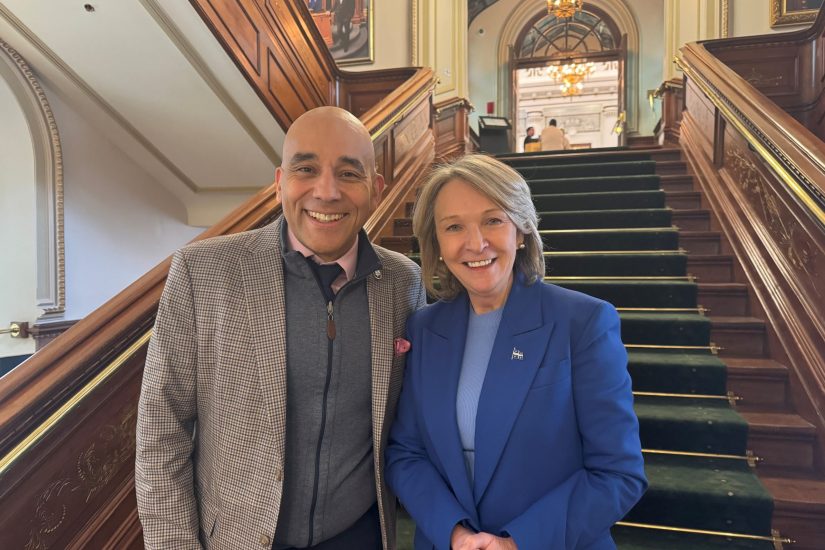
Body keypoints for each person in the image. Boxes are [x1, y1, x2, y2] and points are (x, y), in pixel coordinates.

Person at [136, 106, 427, 550]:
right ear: (279, 183)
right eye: (306, 169)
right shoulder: (202, 271)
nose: (326, 192)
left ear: (376, 189)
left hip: (359, 535)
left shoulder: (403, 282)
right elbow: (161, 427)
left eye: (349, 173)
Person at [385, 154, 646, 550]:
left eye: (493, 220)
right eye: (454, 226)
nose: (476, 243)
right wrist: (456, 534)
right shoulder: (423, 328)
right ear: (436, 243)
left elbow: (617, 473)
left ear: (521, 230)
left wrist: (516, 543)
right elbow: (406, 453)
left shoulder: (584, 322)